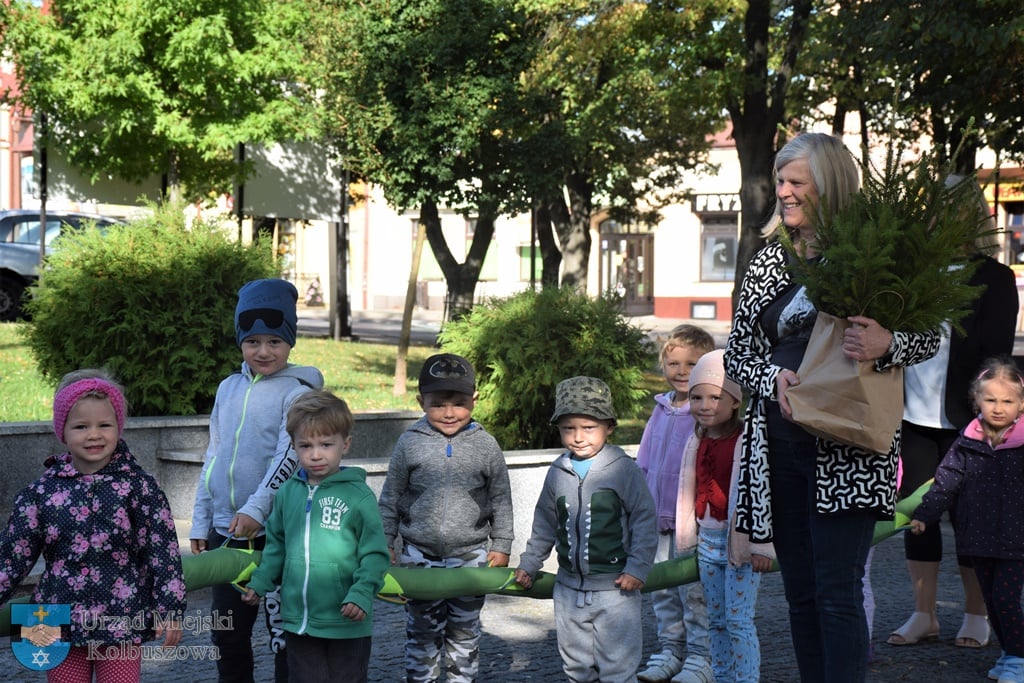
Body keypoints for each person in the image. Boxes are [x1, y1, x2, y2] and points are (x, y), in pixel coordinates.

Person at [724, 131, 940, 682]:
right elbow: (740, 352)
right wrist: (771, 375)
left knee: (837, 593)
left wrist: (887, 343)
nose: (785, 192)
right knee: (800, 595)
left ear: (831, 185)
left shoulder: (871, 256)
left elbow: (929, 337)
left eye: (798, 182)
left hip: (849, 450)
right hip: (780, 444)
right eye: (780, 181)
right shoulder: (767, 260)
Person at [888, 176, 1018, 649]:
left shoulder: (994, 278)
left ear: (967, 213)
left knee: (970, 518)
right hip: (912, 418)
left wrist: (987, 417)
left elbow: (995, 353)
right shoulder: (915, 271)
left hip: (965, 420)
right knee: (918, 516)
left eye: (946, 208)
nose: (936, 216)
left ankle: (975, 613)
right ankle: (924, 614)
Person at [0, 369, 186, 682]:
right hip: (54, 619)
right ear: (63, 431)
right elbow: (11, 556)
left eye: (104, 425)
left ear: (119, 428)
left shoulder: (140, 488)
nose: (94, 435)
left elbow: (162, 553)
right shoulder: (40, 493)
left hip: (122, 616)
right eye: (81, 426)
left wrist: (169, 608)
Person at [189, 278, 325, 683]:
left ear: (290, 341)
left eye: (274, 342)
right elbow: (212, 454)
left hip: (277, 534)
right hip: (224, 532)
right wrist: (200, 518)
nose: (263, 351)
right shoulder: (227, 388)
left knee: (285, 636)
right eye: (253, 342)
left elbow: (290, 454)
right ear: (239, 340)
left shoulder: (299, 391)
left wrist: (256, 508)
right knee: (228, 635)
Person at [377, 353, 514, 683]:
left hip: (470, 558)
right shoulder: (409, 443)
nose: (450, 412)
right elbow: (390, 498)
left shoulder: (486, 445)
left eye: (459, 402)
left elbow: (501, 499)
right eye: (438, 403)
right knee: (422, 633)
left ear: (475, 399)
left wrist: (503, 543)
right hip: (418, 556)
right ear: (421, 401)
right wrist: (385, 541)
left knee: (464, 635)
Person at [514, 376, 658, 683]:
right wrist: (529, 562)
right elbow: (544, 522)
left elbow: (645, 519)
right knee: (577, 670)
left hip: (617, 590)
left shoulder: (623, 470)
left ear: (609, 427)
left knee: (618, 670)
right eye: (569, 428)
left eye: (589, 427)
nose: (578, 437)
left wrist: (638, 567)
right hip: (568, 591)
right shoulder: (557, 472)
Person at [241, 390, 389, 683]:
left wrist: (361, 594)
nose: (315, 454)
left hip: (347, 619)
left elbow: (375, 554)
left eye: (326, 444)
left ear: (345, 444)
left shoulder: (359, 496)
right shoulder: (286, 493)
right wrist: (260, 583)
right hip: (298, 622)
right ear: (293, 447)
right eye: (305, 445)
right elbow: (276, 546)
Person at [909, 357, 1024, 683]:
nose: (998, 408)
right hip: (977, 535)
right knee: (991, 599)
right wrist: (924, 516)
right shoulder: (967, 441)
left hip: (1017, 539)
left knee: (1005, 598)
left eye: (1007, 401)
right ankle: (1008, 652)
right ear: (977, 400)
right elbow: (945, 482)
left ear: (1021, 404)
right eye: (990, 400)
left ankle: (1018, 657)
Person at [674, 350, 774, 683]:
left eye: (715, 397)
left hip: (740, 545)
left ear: (734, 401)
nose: (705, 405)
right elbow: (688, 492)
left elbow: (761, 494)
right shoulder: (696, 440)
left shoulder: (748, 443)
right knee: (714, 620)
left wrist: (762, 545)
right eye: (697, 397)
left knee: (738, 621)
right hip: (708, 541)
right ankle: (723, 677)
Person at [636, 325, 716, 683]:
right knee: (662, 592)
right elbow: (645, 460)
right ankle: (670, 651)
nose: (682, 371)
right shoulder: (661, 409)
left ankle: (702, 658)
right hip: (656, 519)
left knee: (694, 593)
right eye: (673, 363)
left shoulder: (704, 413)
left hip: (691, 524)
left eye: (692, 363)